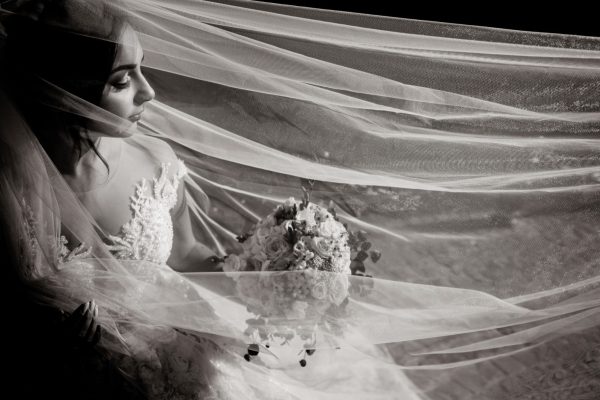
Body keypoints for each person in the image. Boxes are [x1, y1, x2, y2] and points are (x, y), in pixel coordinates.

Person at [1, 0, 598, 399]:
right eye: (122, 80)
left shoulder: (152, 160)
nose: (151, 93)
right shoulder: (13, 197)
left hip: (185, 337)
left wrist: (267, 269)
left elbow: (185, 256)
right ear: (62, 90)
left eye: (143, 70)